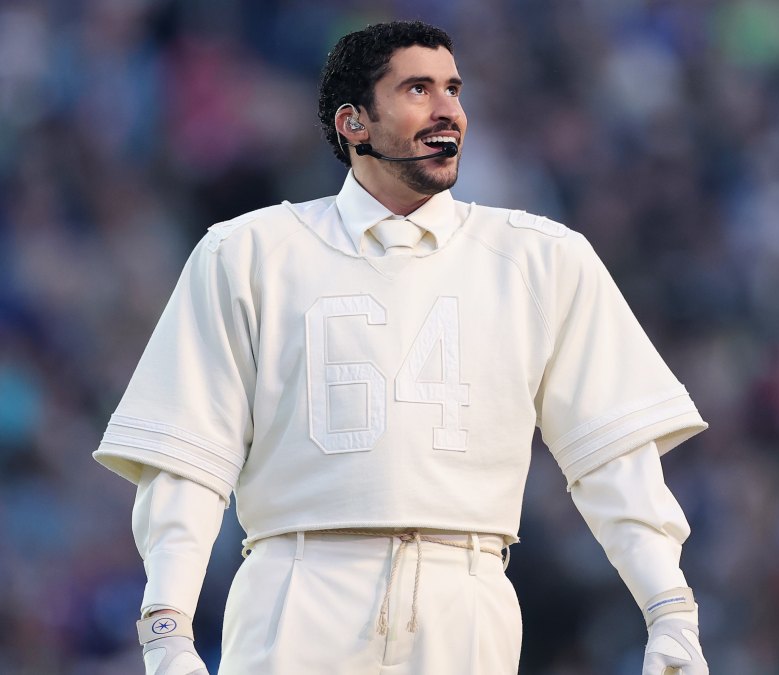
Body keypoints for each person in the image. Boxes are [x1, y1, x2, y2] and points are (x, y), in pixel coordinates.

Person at [94, 20, 709, 675]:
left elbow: (611, 453)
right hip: (296, 587)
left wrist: (670, 607)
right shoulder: (245, 253)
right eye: (419, 89)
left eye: (454, 89)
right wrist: (167, 627)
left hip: (467, 592)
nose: (449, 110)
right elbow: (189, 460)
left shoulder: (543, 257)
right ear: (353, 122)